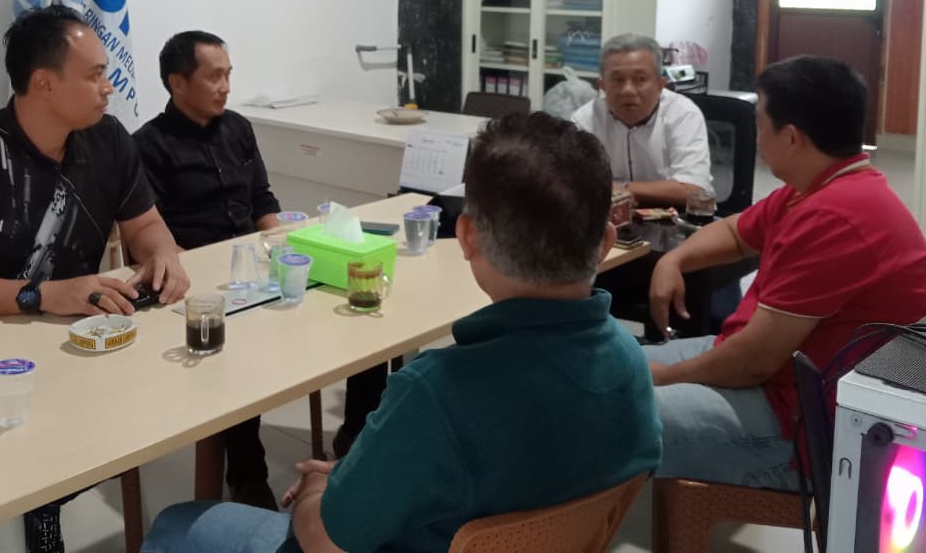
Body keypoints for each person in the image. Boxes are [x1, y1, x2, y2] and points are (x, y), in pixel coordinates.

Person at [140, 112, 662, 553]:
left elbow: (325, 541)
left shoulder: (437, 391)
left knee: (178, 525)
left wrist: (319, 490)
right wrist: (364, 473)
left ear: (466, 236)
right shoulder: (630, 363)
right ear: (606, 242)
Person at [0, 5, 191, 553]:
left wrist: (164, 255)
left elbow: (146, 224)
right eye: (95, 74)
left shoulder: (108, 139)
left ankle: (42, 511)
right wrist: (41, 294)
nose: (109, 88)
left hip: (79, 355)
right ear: (44, 83)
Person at [643, 55, 926, 489]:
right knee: (612, 370)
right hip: (769, 375)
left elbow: (754, 363)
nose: (758, 138)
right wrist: (674, 260)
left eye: (761, 124)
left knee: (610, 409)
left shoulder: (837, 216)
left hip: (803, 425)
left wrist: (667, 378)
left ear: (792, 137)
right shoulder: (818, 187)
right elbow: (737, 232)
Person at [133, 30, 282, 508]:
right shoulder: (149, 146)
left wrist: (284, 247)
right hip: (196, 283)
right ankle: (247, 473)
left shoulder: (238, 128)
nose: (225, 87)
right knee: (230, 349)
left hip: (253, 268)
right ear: (177, 83)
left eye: (228, 75)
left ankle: (355, 435)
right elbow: (151, 234)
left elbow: (261, 200)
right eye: (214, 77)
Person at [571, 33, 712, 207]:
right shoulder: (585, 119)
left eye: (640, 79)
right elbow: (571, 181)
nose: (628, 90)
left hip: (674, 218)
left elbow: (694, 189)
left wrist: (622, 188)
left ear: (661, 85)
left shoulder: (683, 114)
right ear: (602, 86)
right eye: (617, 80)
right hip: (609, 217)